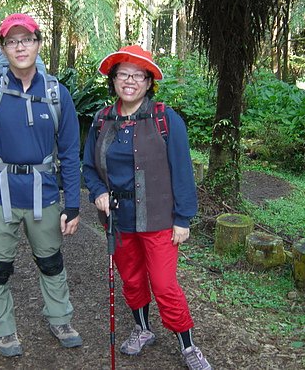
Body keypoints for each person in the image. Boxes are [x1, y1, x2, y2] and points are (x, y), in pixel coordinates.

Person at [82, 45, 212, 370]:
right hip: (118, 219)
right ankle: (143, 329)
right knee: (133, 280)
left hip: (159, 219)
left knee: (165, 285)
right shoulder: (102, 120)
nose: (130, 81)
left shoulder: (166, 120)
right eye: (123, 74)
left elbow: (183, 172)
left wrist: (183, 219)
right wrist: (97, 192)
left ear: (148, 82)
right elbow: (88, 167)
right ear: (113, 80)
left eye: (138, 75)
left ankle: (188, 346)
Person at [0, 13, 82, 357]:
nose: (20, 47)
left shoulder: (56, 93)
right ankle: (3, 330)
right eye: (12, 41)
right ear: (3, 48)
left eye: (27, 39)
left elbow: (70, 151)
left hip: (43, 194)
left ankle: (60, 318)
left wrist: (72, 204)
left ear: (38, 44)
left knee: (51, 260)